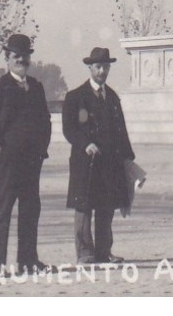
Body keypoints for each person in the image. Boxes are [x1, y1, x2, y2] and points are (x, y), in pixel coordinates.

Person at [0, 33, 54, 273]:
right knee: (4, 209)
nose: (22, 60)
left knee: (31, 209)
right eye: (16, 56)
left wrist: (41, 149)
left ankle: (28, 260)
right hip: (8, 160)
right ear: (7, 59)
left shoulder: (37, 87)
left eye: (26, 56)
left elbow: (46, 121)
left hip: (32, 160)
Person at [62, 47, 136, 266]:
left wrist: (128, 158)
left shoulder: (112, 97)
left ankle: (104, 252)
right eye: (98, 67)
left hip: (109, 163)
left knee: (106, 207)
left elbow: (121, 130)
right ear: (90, 68)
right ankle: (85, 254)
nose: (102, 71)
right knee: (84, 207)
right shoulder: (75, 96)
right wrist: (85, 144)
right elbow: (69, 128)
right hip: (86, 162)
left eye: (106, 67)